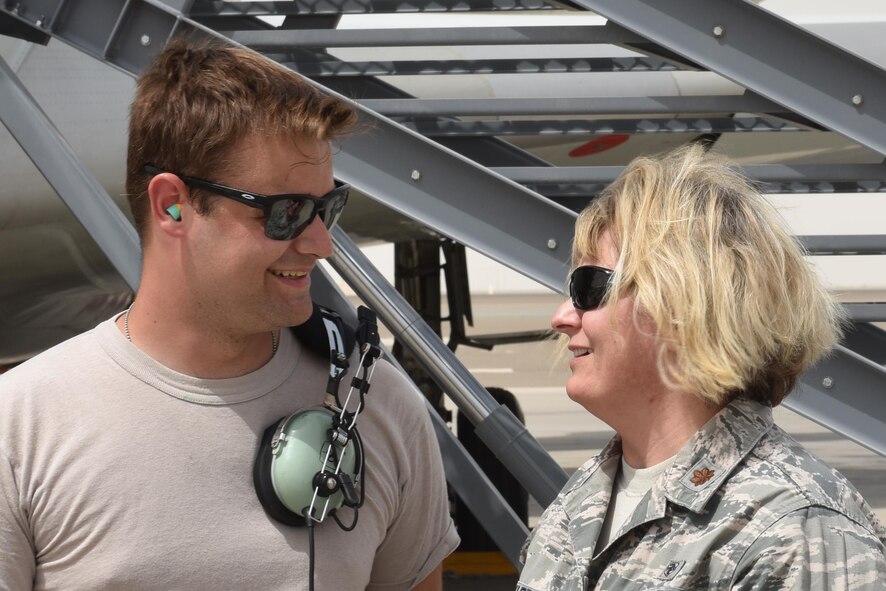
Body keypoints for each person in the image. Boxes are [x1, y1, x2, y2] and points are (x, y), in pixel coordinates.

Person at [0, 38, 458, 590]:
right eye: (287, 212)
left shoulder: (381, 406)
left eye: (328, 208)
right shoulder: (21, 428)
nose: (321, 244)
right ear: (172, 204)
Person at [517, 144, 886, 590]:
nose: (562, 316)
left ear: (683, 300)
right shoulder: (584, 502)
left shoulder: (793, 530)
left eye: (589, 287)